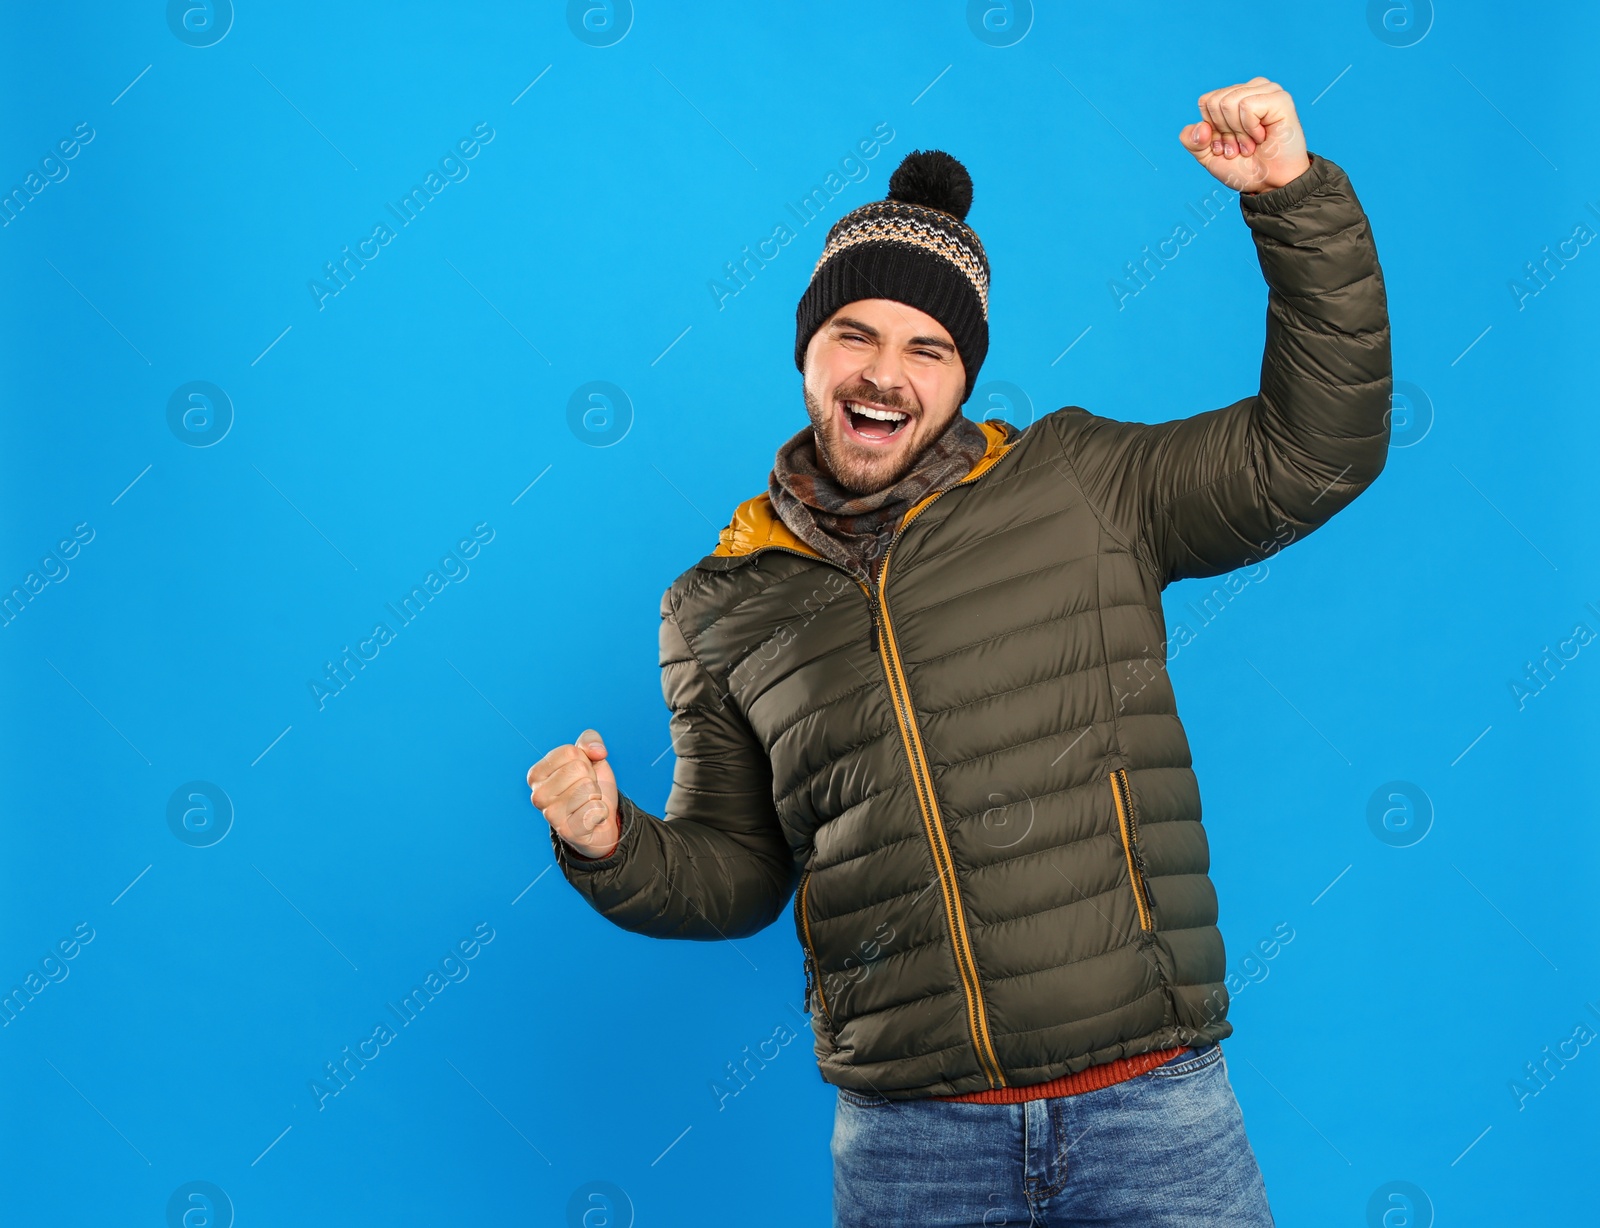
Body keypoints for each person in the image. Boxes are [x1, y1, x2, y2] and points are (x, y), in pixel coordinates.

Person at [529, 76, 1390, 1226]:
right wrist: (610, 843)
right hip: (908, 1143)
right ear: (806, 354)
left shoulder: (1084, 484)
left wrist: (1291, 197)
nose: (887, 372)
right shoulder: (716, 605)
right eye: (855, 334)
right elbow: (738, 870)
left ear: (964, 376)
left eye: (927, 347)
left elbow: (1315, 448)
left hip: (1150, 1109)